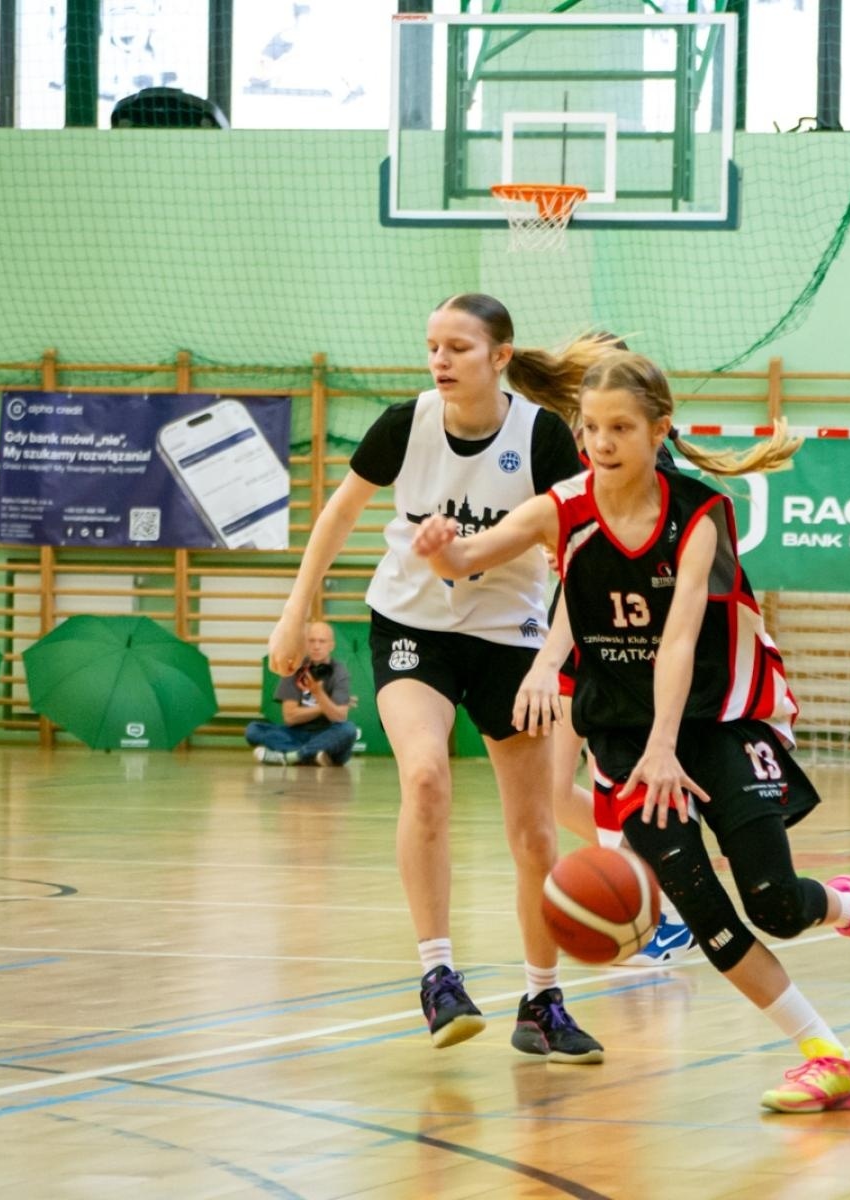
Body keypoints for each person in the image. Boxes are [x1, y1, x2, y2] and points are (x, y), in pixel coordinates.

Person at [413, 350, 850, 1113]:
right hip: (624, 738)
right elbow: (468, 559)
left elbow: (683, 636)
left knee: (777, 906)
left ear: (659, 430)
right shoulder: (562, 508)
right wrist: (443, 551)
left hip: (720, 716)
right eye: (590, 427)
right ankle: (828, 1056)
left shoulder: (698, 512)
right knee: (703, 910)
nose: (601, 441)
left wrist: (668, 743)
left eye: (619, 427)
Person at [269, 293, 620, 1064]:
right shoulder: (407, 422)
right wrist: (295, 613)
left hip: (511, 639)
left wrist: (552, 662)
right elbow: (337, 516)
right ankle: (438, 979)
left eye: (458, 347)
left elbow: (581, 561)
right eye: (432, 346)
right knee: (425, 776)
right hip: (411, 627)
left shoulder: (543, 438)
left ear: (500, 357)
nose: (439, 360)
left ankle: (542, 1001)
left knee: (533, 834)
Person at [508, 336, 696, 969]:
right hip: (575, 634)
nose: (603, 435)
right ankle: (651, 889)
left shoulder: (659, 481)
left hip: (628, 655)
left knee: (623, 793)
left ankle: (657, 906)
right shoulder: (576, 457)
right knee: (556, 796)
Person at [246, 620, 359, 766]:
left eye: (322, 641)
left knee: (348, 730)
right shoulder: (294, 668)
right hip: (296, 733)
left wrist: (318, 694)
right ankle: (312, 756)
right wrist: (326, 705)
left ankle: (291, 756)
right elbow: (290, 717)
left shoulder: (339, 672)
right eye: (311, 641)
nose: (316, 646)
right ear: (305, 643)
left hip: (326, 732)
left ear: (331, 645)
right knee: (253, 730)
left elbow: (339, 717)